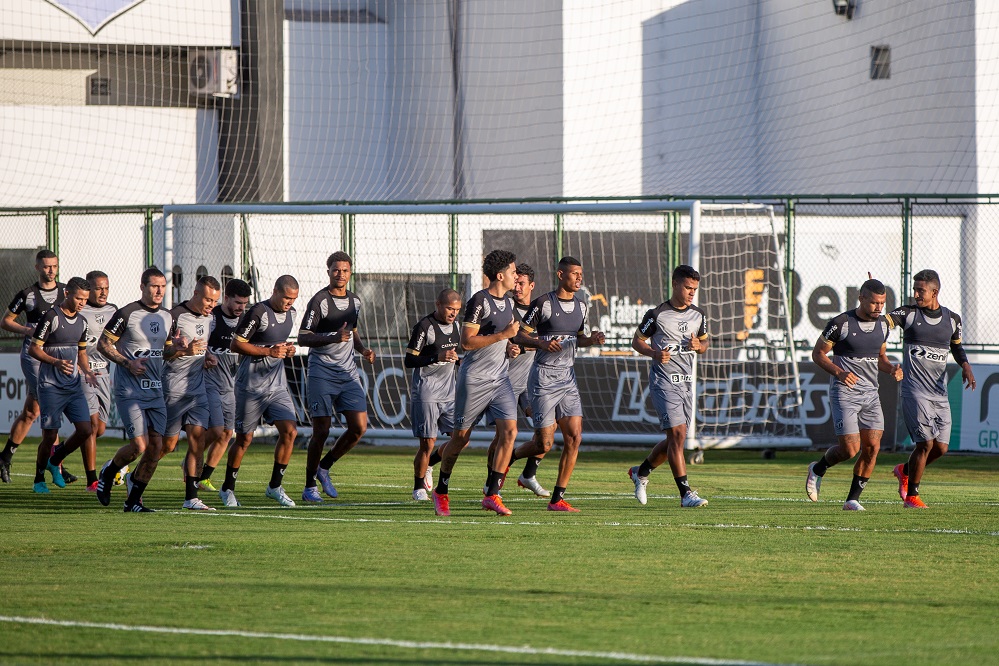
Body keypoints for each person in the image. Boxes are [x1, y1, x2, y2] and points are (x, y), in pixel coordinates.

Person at [508, 257, 605, 511]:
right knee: (544, 444)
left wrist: (592, 340)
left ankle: (557, 499)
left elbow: (579, 338)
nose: (579, 278)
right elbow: (519, 335)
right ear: (561, 275)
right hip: (543, 377)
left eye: (581, 274)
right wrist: (540, 343)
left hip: (567, 378)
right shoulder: (544, 304)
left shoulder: (582, 306)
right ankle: (510, 458)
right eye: (574, 274)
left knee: (574, 437)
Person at [431, 250, 520, 517]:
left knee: (510, 432)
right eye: (513, 271)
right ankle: (441, 490)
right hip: (475, 379)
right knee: (460, 439)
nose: (516, 276)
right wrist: (503, 335)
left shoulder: (509, 303)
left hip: (500, 378)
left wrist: (510, 346)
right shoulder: (479, 301)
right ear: (500, 275)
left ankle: (492, 494)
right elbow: (467, 342)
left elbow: (504, 338)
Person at [805, 278, 903, 511]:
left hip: (871, 394)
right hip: (845, 392)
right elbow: (818, 354)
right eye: (874, 302)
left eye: (882, 303)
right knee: (850, 449)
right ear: (861, 298)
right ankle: (817, 469)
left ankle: (852, 500)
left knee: (872, 448)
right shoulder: (841, 324)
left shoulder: (883, 326)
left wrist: (891, 369)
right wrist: (839, 372)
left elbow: (880, 358)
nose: (879, 307)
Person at [886, 270, 976, 508]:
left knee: (941, 448)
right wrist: (872, 311)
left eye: (921, 290)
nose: (916, 294)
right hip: (914, 392)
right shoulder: (908, 314)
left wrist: (966, 366)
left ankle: (904, 471)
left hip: (939, 393)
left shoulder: (952, 319)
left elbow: (956, 347)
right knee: (924, 444)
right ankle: (912, 497)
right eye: (914, 290)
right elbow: (883, 323)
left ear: (934, 292)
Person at [627, 265, 711, 508]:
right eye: (687, 287)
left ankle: (641, 472)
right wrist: (654, 353)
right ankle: (685, 494)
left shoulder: (698, 315)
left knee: (677, 439)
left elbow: (705, 343)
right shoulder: (657, 314)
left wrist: (699, 346)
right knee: (676, 435)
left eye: (694, 289)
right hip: (663, 382)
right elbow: (637, 341)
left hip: (686, 384)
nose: (691, 292)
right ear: (675, 284)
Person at [94, 267, 174, 512]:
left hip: (156, 390)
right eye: (154, 286)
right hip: (130, 391)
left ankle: (133, 502)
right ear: (142, 287)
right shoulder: (127, 313)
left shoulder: (167, 317)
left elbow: (166, 352)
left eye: (163, 286)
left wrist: (181, 348)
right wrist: (128, 363)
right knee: (139, 446)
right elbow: (103, 344)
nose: (159, 291)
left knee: (156, 448)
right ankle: (109, 472)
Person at [297, 252, 376, 503]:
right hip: (321, 371)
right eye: (336, 270)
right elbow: (303, 337)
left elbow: (352, 331)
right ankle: (309, 486)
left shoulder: (355, 301)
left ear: (350, 272)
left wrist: (362, 349)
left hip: (347, 371)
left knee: (359, 428)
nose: (340, 274)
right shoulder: (319, 301)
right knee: (321, 430)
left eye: (344, 270)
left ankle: (324, 467)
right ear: (328, 271)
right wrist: (332, 337)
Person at [219, 275, 300, 508]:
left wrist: (288, 350)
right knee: (244, 439)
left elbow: (279, 346)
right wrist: (269, 352)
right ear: (275, 291)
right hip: (250, 387)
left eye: (293, 299)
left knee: (290, 432)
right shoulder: (258, 312)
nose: (289, 302)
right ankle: (227, 488)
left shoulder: (292, 314)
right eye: (286, 297)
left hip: (276, 387)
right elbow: (236, 344)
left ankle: (275, 486)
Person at [484, 263, 550, 497]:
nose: (517, 287)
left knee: (547, 430)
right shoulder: (506, 309)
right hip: (506, 381)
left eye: (522, 283)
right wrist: (509, 347)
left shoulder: (541, 311)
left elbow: (546, 341)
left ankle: (528, 474)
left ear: (532, 285)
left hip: (531, 383)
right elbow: (497, 340)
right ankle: (491, 482)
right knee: (502, 436)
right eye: (516, 282)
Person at [0, 250, 65, 484]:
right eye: (46, 266)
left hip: (56, 354)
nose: (51, 270)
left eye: (54, 266)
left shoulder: (65, 292)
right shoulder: (27, 294)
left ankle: (5, 457)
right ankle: (56, 465)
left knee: (31, 412)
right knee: (50, 404)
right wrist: (28, 330)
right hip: (33, 356)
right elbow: (5, 321)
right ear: (37, 267)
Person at [28, 277, 97, 493]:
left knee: (86, 430)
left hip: (73, 386)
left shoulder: (82, 322)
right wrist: (55, 362)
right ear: (67, 293)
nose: (82, 303)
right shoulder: (52, 317)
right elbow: (34, 349)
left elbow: (82, 353)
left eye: (85, 299)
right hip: (50, 386)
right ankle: (39, 478)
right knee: (50, 436)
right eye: (78, 298)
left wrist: (87, 371)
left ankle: (55, 459)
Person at [159, 275, 221, 511]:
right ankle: (133, 474)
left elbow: (200, 347)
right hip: (173, 387)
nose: (211, 305)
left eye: (214, 301)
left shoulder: (210, 318)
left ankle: (191, 498)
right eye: (207, 300)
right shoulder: (174, 316)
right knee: (167, 445)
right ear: (195, 294)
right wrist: (184, 352)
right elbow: (162, 353)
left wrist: (207, 357)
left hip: (197, 389)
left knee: (197, 440)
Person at [405, 289, 462, 501]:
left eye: (457, 309)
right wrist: (437, 356)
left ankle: (430, 464)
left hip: (449, 392)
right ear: (438, 304)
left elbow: (452, 355)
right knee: (428, 443)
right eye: (449, 308)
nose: (453, 313)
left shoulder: (457, 326)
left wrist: (460, 361)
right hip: (427, 391)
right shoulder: (424, 327)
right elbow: (410, 360)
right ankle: (418, 488)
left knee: (461, 438)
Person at [198, 278, 252, 492]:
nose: (241, 307)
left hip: (230, 384)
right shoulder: (211, 318)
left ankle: (204, 478)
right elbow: (197, 340)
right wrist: (206, 355)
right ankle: (193, 458)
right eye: (238, 302)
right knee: (216, 428)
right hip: (208, 381)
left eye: (245, 303)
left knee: (227, 433)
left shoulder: (246, 321)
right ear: (226, 298)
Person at [78, 271, 118, 491]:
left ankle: (62, 450)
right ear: (89, 289)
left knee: (100, 428)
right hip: (83, 372)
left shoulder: (113, 310)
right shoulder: (79, 309)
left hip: (103, 372)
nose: (103, 293)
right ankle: (92, 480)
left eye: (106, 288)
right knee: (92, 425)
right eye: (98, 288)